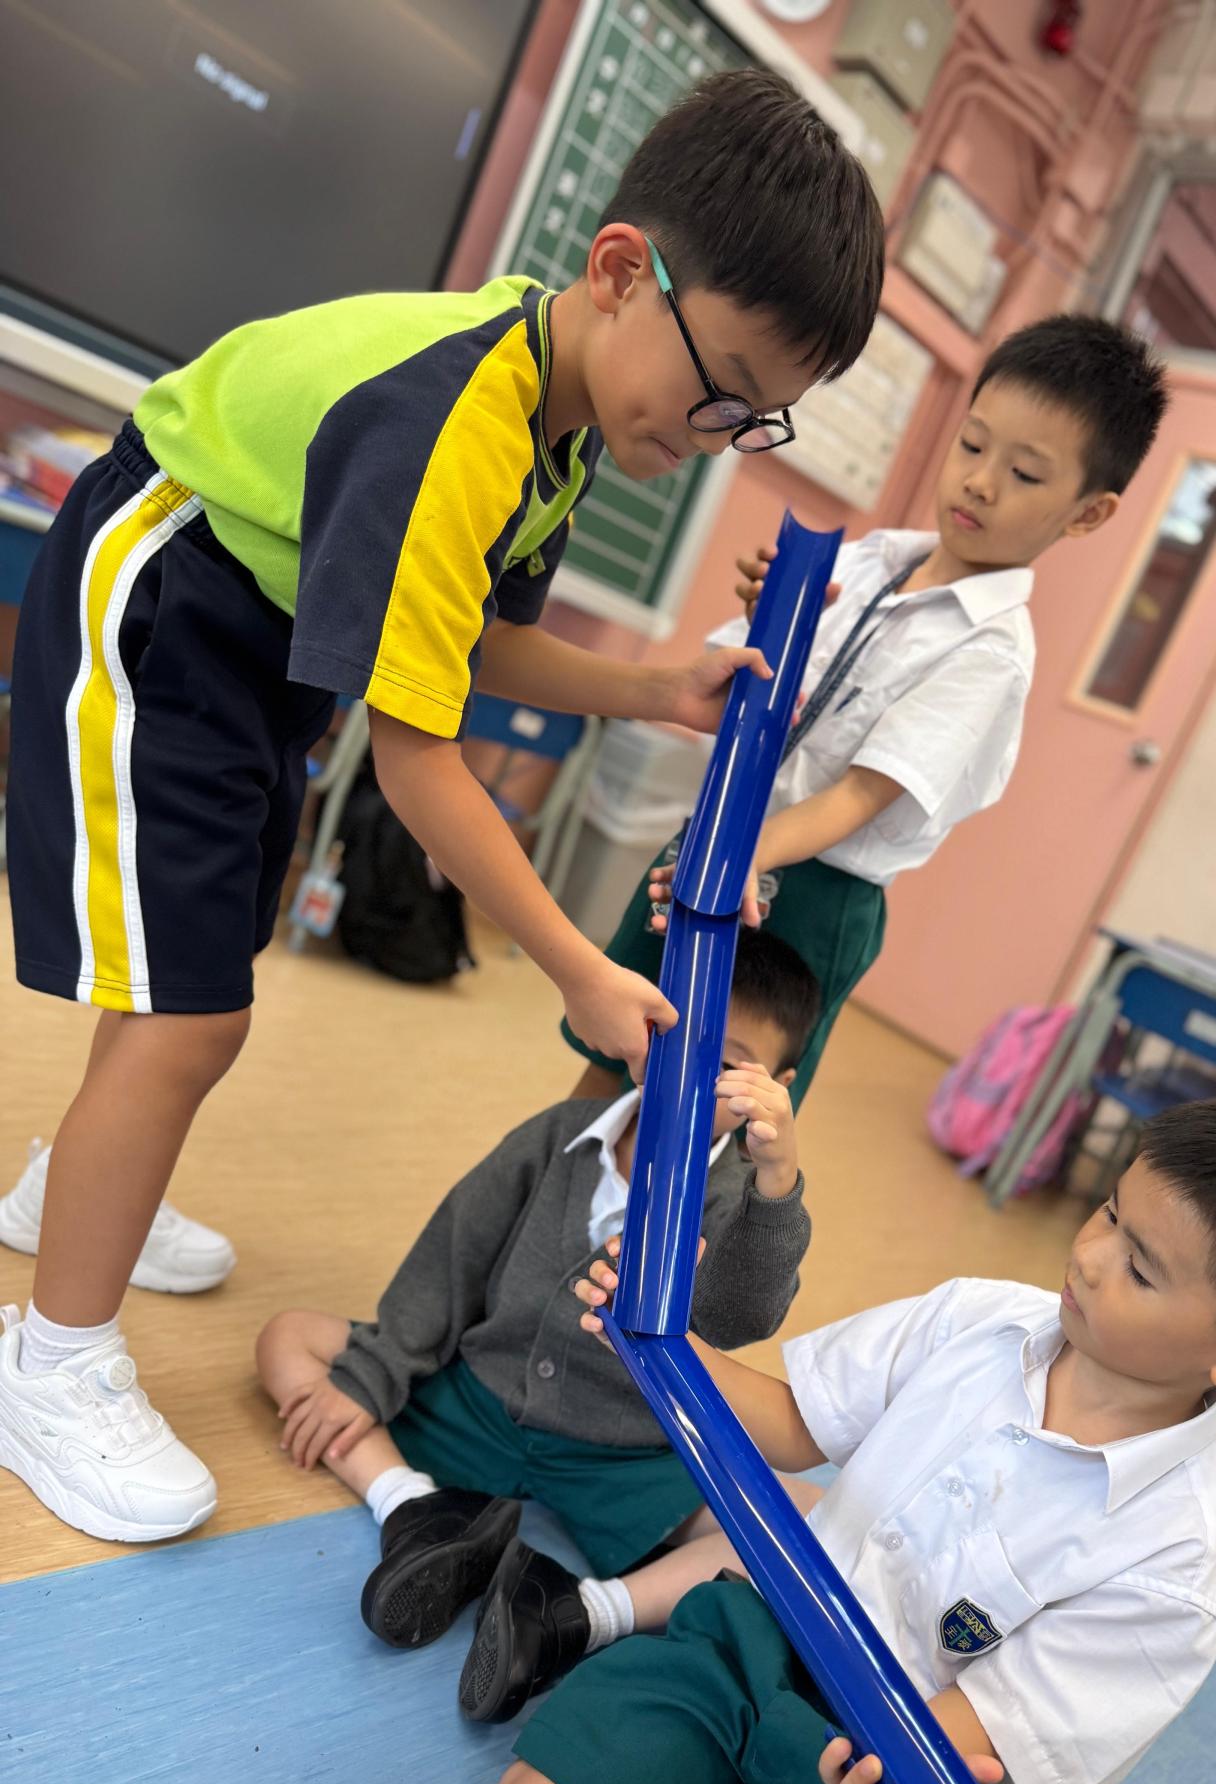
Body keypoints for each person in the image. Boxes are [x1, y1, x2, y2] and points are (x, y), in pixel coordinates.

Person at [0, 70, 884, 1541]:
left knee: (196, 967)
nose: (721, 431)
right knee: (191, 1012)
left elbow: (471, 641)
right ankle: (51, 1359)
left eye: (757, 419)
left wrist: (656, 687)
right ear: (622, 273)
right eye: (722, 386)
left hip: (261, 635)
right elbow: (420, 768)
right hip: (170, 601)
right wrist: (577, 966)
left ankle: (77, 1189)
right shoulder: (455, 421)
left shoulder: (556, 423)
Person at [480, 1094, 1216, 1784]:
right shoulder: (981, 1317)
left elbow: (957, 1740)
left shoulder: (1177, 1569)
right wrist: (670, 1348)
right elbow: (797, 1424)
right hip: (765, 1641)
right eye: (1107, 1212)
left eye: (1140, 1269)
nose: (1090, 1256)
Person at [565, 313, 1169, 1109]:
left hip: (812, 894)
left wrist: (745, 856)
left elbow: (860, 795)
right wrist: (763, 616)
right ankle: (556, 1181)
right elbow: (760, 688)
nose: (980, 482)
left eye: (1025, 474)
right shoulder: (868, 558)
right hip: (724, 833)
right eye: (973, 445)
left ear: (1087, 513)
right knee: (621, 1041)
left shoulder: (990, 651)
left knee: (716, 1109)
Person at [254, 930, 820, 1707]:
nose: (690, 1076)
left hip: (616, 1453)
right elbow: (456, 1253)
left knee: (804, 1521)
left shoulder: (740, 1199)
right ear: (640, 1029)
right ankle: (413, 1508)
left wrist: (778, 1177)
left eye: (725, 1066)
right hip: (479, 1402)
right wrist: (376, 1373)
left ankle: (581, 1613)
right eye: (674, 1040)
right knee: (289, 1337)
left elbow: (741, 1316)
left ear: (777, 1087)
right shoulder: (559, 1135)